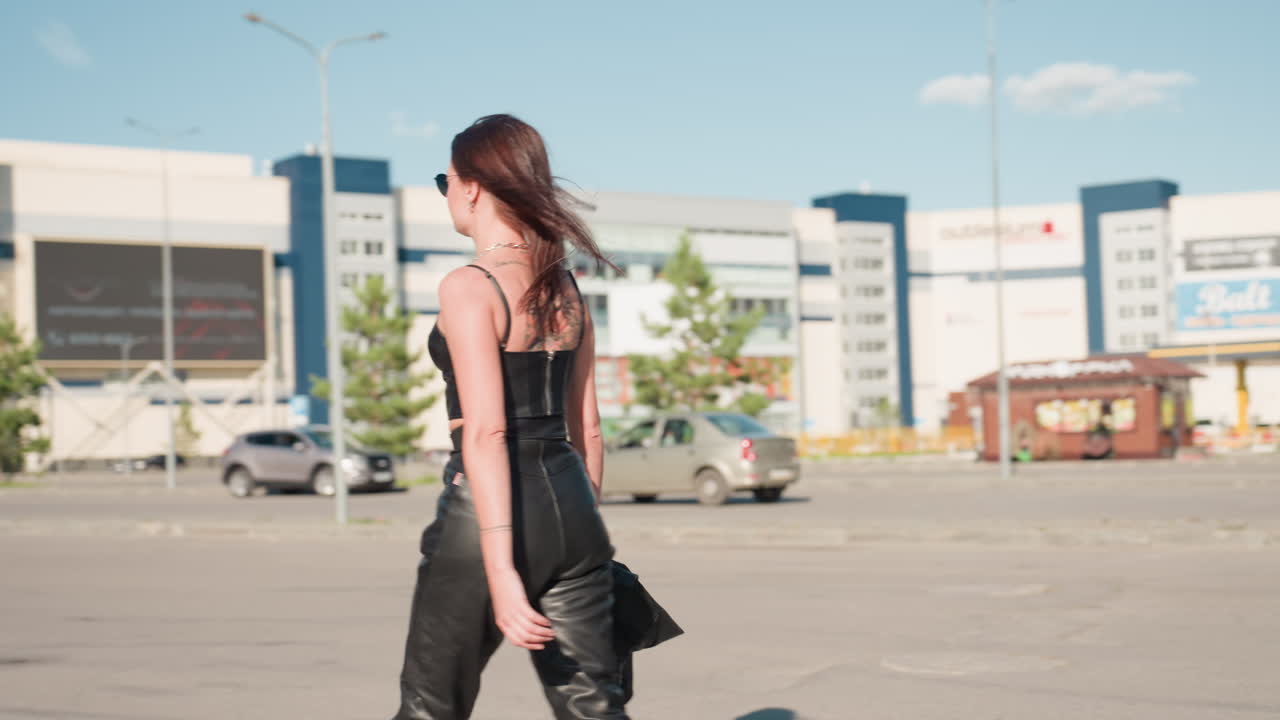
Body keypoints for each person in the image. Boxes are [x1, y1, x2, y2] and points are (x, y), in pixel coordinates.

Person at [391, 114, 629, 720]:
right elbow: (590, 428)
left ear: (470, 187)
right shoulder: (566, 290)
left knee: (430, 708)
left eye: (444, 182)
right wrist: (584, 528)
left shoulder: (469, 287)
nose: (447, 196)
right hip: (574, 506)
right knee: (594, 707)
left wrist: (501, 571)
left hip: (486, 515)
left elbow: (488, 432)